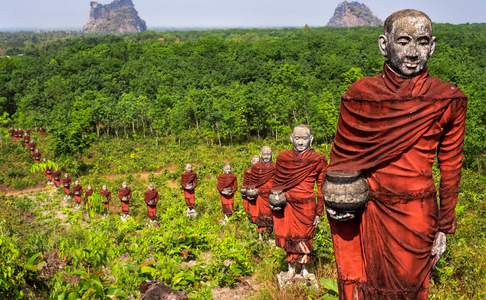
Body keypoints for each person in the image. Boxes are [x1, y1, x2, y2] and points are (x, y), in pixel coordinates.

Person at [326, 10, 467, 300]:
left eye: (422, 41)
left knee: (409, 290)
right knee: (365, 285)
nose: (413, 52)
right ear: (384, 44)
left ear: (433, 46)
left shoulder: (448, 99)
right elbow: (340, 161)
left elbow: (451, 167)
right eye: (403, 41)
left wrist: (444, 225)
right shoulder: (360, 95)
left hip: (417, 215)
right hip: (368, 210)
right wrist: (334, 197)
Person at [270, 125, 326, 282]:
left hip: (307, 205)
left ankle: (305, 269)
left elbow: (322, 187)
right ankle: (291, 268)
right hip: (287, 204)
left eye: (304, 138)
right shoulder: (283, 158)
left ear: (311, 139)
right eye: (297, 138)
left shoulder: (318, 159)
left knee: (305, 236)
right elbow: (276, 183)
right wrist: (274, 200)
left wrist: (319, 211)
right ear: (291, 138)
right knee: (290, 236)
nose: (301, 142)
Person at [251, 147, 275, 239]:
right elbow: (252, 182)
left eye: (268, 154)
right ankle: (260, 236)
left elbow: (278, 181)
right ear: (261, 154)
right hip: (260, 196)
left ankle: (269, 236)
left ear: (271, 155)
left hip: (270, 196)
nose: (266, 156)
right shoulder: (256, 167)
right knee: (260, 215)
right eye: (264, 154)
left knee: (270, 216)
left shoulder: (275, 167)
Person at [241, 155, 260, 222]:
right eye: (254, 161)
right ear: (251, 162)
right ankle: (251, 220)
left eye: (258, 161)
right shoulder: (248, 171)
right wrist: (245, 190)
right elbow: (245, 182)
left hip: (259, 192)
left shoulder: (262, 171)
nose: (256, 163)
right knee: (251, 207)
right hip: (250, 191)